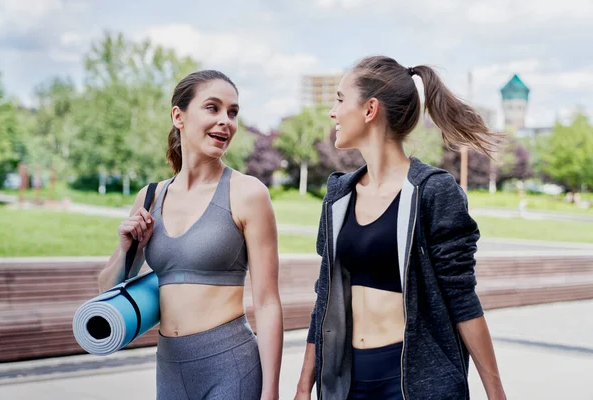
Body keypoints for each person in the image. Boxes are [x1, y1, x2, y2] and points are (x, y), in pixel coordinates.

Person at [295, 56, 506, 400]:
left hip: (413, 384)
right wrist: (305, 386)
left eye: (339, 99)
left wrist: (496, 394)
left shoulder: (433, 191)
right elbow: (325, 298)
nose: (333, 112)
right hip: (348, 382)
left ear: (370, 109)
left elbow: (462, 299)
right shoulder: (338, 196)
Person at [98, 70, 283, 400]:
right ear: (178, 116)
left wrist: (270, 392)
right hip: (169, 369)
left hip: (231, 366)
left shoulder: (247, 193)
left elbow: (267, 302)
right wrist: (126, 247)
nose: (225, 121)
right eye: (213, 108)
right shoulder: (150, 196)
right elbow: (107, 290)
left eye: (233, 112)